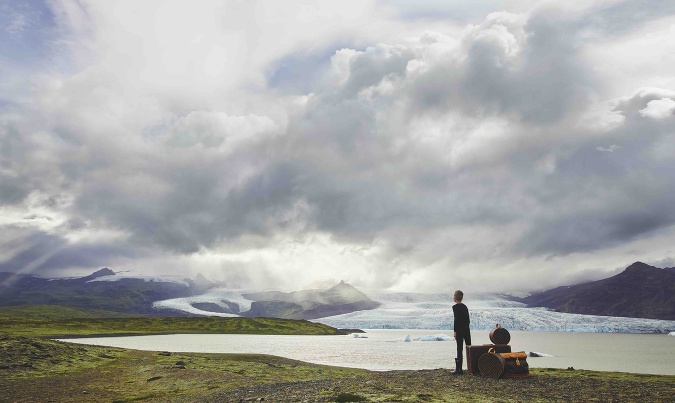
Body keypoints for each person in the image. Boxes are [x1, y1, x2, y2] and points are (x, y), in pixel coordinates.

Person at [452, 289, 471, 375]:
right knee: (469, 348)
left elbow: (456, 320)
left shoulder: (455, 307)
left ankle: (459, 369)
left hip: (459, 331)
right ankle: (471, 367)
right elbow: (468, 320)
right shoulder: (465, 307)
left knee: (459, 349)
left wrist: (455, 331)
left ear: (455, 297)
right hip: (466, 330)